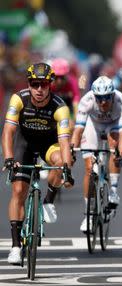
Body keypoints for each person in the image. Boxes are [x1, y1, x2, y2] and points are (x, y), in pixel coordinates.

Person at [1, 63, 74, 265]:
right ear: (29, 84)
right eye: (35, 84)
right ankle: (16, 246)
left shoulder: (60, 107)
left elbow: (64, 142)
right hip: (23, 144)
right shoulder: (19, 99)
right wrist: (8, 158)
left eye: (43, 84)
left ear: (50, 84)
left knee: (61, 162)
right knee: (18, 191)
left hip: (48, 144)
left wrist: (66, 168)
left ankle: (49, 200)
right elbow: (8, 131)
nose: (39, 89)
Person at [71, 76, 122, 232]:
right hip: (93, 125)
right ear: (94, 96)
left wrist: (119, 156)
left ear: (113, 95)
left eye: (106, 98)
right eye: (99, 98)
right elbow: (78, 130)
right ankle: (88, 214)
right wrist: (71, 150)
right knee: (90, 169)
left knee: (114, 147)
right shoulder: (86, 101)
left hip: (114, 125)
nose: (103, 102)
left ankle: (113, 191)